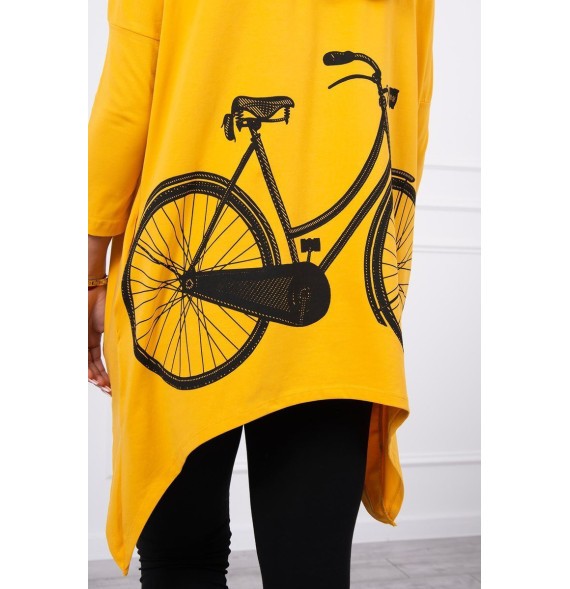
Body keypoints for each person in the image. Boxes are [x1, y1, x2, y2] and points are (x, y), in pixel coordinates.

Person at [88, 0, 435, 586]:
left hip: (166, 266)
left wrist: (88, 276)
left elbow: (124, 107)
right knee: (310, 568)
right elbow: (417, 102)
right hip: (343, 321)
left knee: (182, 562)